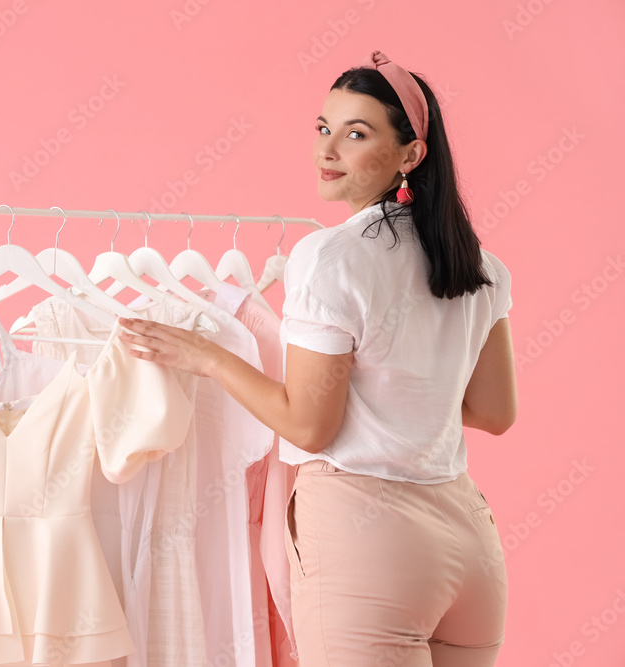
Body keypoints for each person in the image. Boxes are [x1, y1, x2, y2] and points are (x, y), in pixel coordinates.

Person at [117, 50, 515, 666]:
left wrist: (210, 358)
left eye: (355, 134)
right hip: (469, 541)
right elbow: (494, 411)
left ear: (411, 155)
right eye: (323, 129)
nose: (326, 151)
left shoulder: (329, 257)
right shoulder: (482, 268)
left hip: (369, 539)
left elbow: (309, 425)